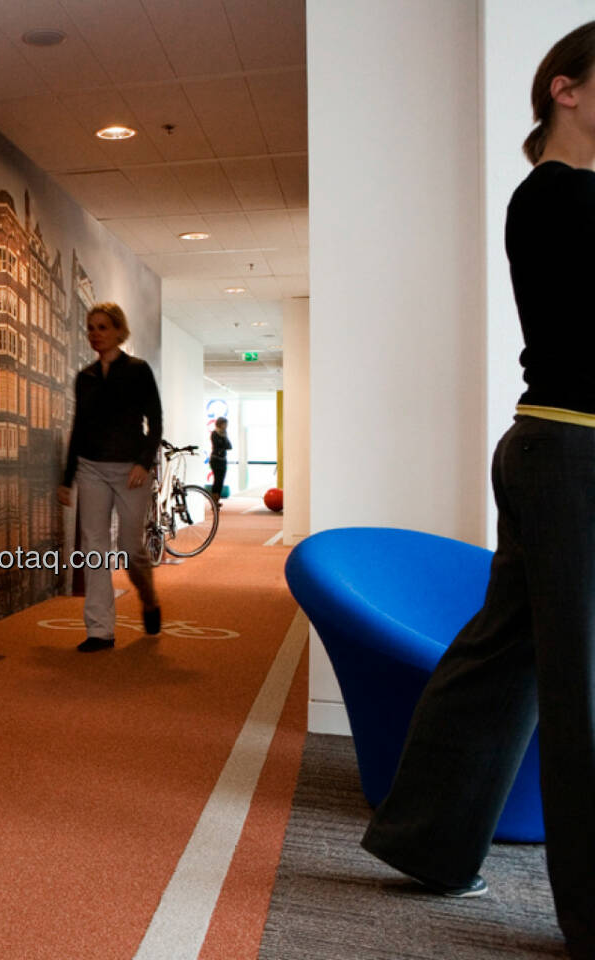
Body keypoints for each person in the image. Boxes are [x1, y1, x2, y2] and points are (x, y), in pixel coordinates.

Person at [360, 22, 595, 958]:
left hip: (556, 452)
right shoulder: (550, 198)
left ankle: (429, 839)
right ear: (566, 90)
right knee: (581, 688)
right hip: (569, 449)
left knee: (508, 656)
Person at [57, 303, 162, 652]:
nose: (95, 334)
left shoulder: (138, 371)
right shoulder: (84, 378)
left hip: (130, 471)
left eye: (102, 327)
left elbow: (155, 422)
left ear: (119, 331)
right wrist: (67, 477)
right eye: (90, 327)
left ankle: (148, 599)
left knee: (130, 549)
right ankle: (99, 630)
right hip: (91, 468)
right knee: (93, 549)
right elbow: (80, 428)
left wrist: (144, 463)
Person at [209, 417, 231, 502]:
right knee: (217, 480)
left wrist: (224, 439)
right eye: (224, 424)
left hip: (223, 460)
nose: (226, 426)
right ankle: (214, 499)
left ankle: (217, 498)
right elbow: (218, 445)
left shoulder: (224, 434)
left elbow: (229, 446)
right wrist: (223, 443)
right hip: (215, 460)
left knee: (221, 480)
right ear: (220, 424)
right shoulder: (214, 433)